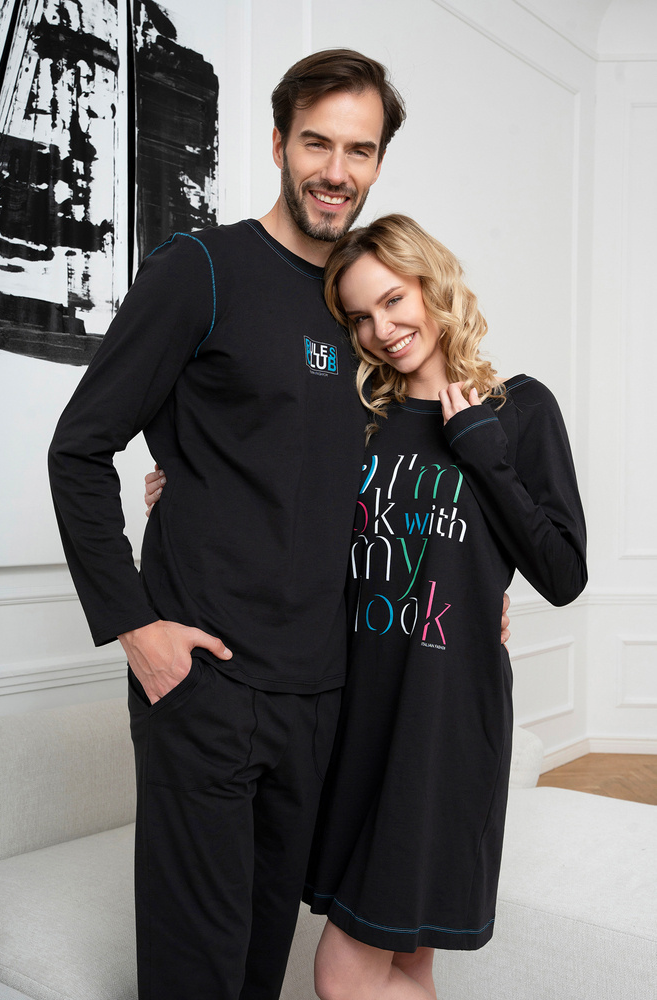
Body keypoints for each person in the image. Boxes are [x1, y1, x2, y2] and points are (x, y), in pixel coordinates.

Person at [48, 49, 407, 1000]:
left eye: (359, 150)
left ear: (378, 163)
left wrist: (480, 580)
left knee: (258, 967)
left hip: (320, 688)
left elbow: (374, 473)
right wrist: (136, 627)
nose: (336, 170)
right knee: (196, 971)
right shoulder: (201, 269)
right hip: (205, 679)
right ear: (279, 143)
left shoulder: (363, 309)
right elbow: (78, 449)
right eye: (317, 143)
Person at [299, 214, 586, 1000]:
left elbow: (562, 573)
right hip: (358, 716)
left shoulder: (518, 409)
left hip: (445, 723)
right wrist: (186, 489)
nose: (380, 329)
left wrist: (481, 449)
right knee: (401, 963)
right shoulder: (359, 420)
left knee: (341, 976)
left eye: (392, 300)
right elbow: (299, 533)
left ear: (432, 285)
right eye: (359, 316)